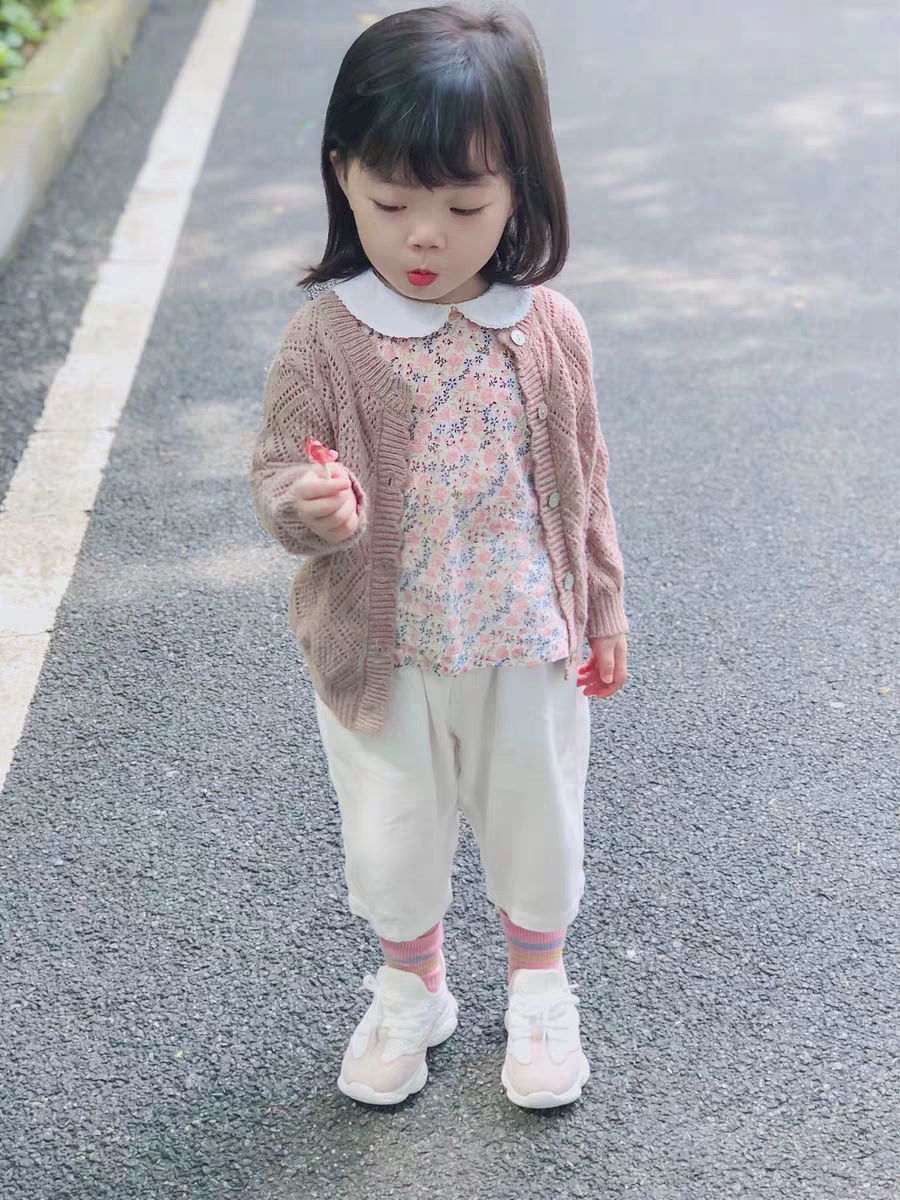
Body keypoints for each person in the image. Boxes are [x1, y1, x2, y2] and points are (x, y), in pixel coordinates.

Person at [249, 2, 628, 1110]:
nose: (425, 236)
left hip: (525, 633)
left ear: (519, 191)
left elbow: (587, 485)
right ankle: (411, 990)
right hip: (385, 649)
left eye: (463, 206)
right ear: (342, 176)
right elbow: (276, 471)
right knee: (393, 833)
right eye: (391, 203)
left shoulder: (547, 330)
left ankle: (540, 988)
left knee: (537, 817)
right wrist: (306, 507)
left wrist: (604, 610)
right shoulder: (327, 337)